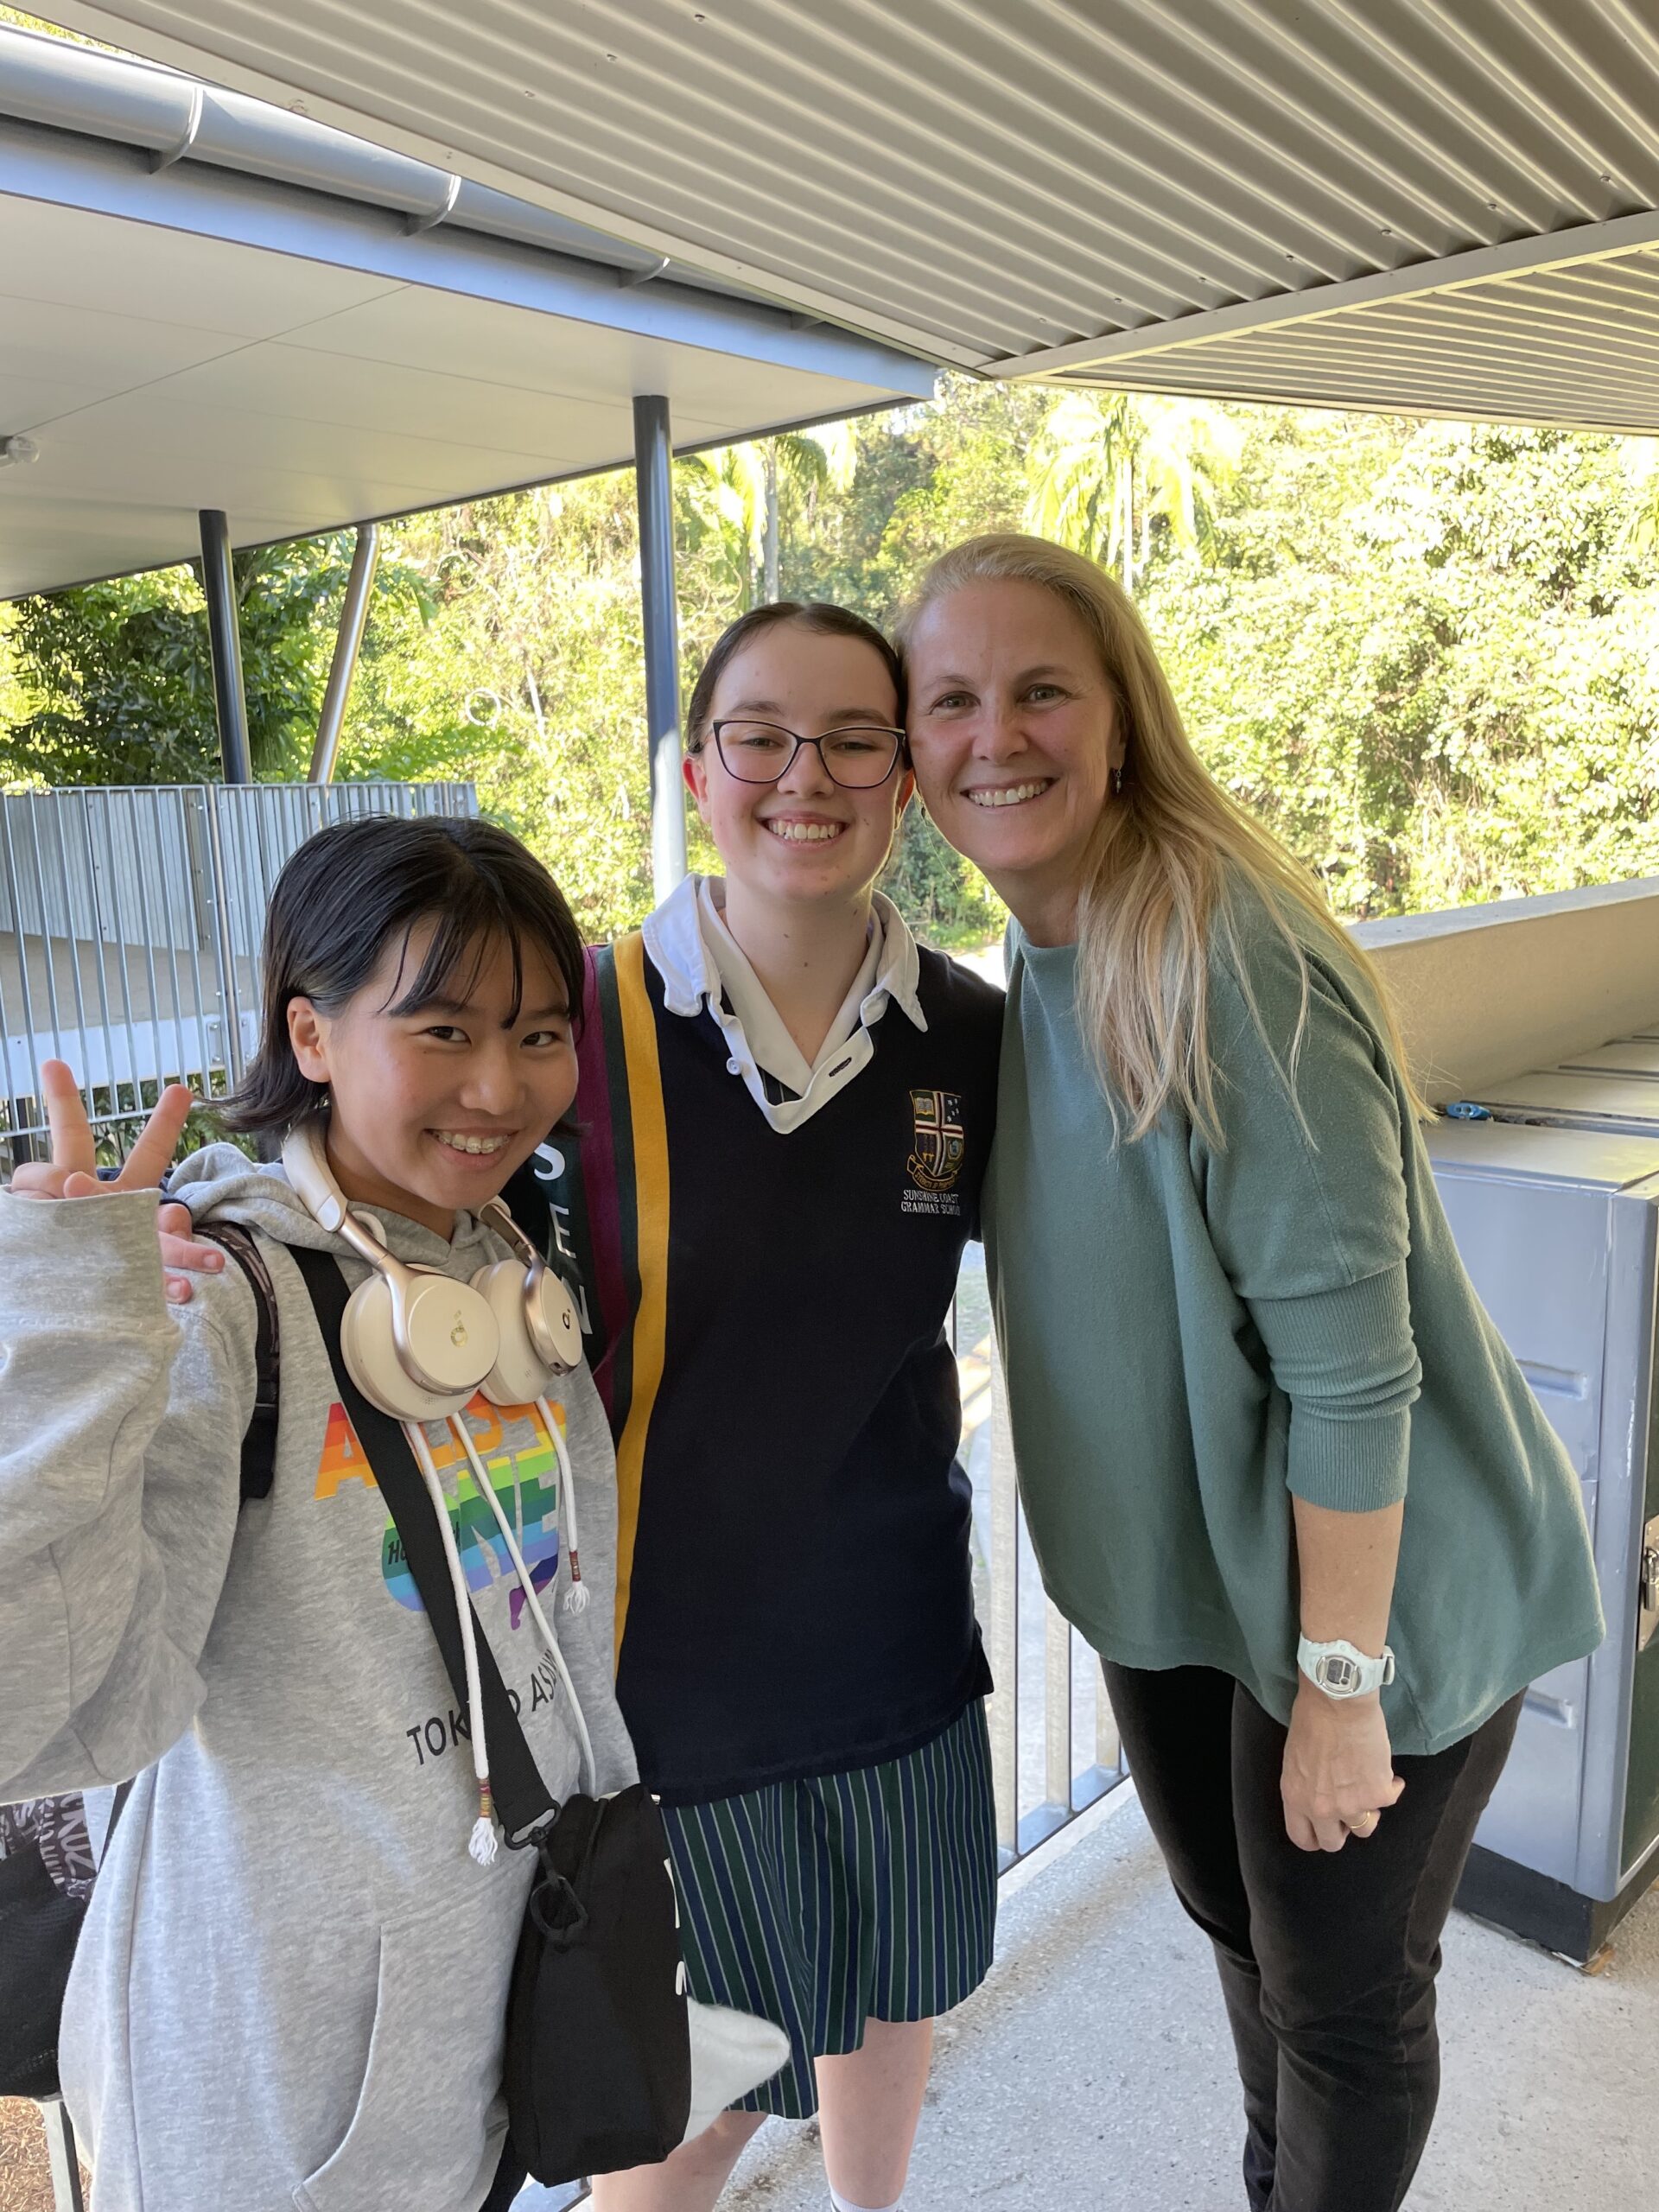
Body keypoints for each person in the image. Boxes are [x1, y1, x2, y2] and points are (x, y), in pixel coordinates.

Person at [895, 533, 1605, 2212]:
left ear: (1121, 716)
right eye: (952, 700)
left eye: (1041, 689)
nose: (997, 735)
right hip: (1199, 1594)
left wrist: (1343, 1692)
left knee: (1344, 2011)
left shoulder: (1225, 959)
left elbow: (1356, 1380)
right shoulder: (1034, 972)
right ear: (909, 750)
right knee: (1247, 1942)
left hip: (1372, 1598)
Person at [0, 816, 637, 2212]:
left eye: (539, 1035)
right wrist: (60, 1325)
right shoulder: (220, 1303)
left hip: (478, 2018)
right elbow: (39, 1712)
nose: (499, 1085)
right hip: (268, 2086)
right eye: (443, 1029)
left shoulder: (503, 1282)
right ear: (310, 1032)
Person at [517, 601, 1002, 2212]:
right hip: (664, 1682)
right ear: (696, 771)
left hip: (897, 1642)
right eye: (761, 738)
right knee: (688, 2104)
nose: (808, 776)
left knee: (896, 1991)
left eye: (855, 739)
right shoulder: (574, 1025)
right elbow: (385, 1178)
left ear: (906, 778)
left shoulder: (972, 1037)